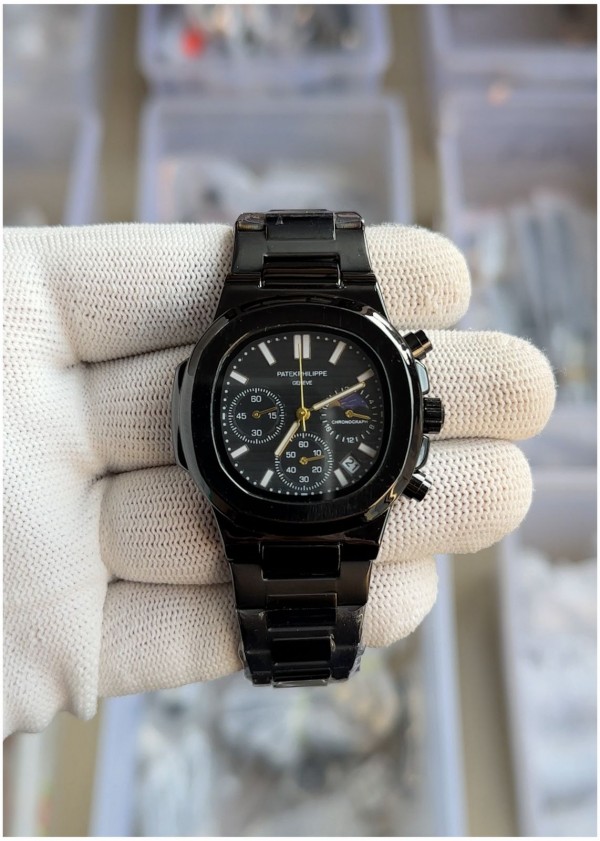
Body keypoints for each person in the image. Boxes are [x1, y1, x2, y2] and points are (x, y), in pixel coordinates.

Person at [3, 222, 556, 737]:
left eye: (311, 412)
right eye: (299, 412)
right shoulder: (224, 418)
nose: (303, 415)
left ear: (422, 415)